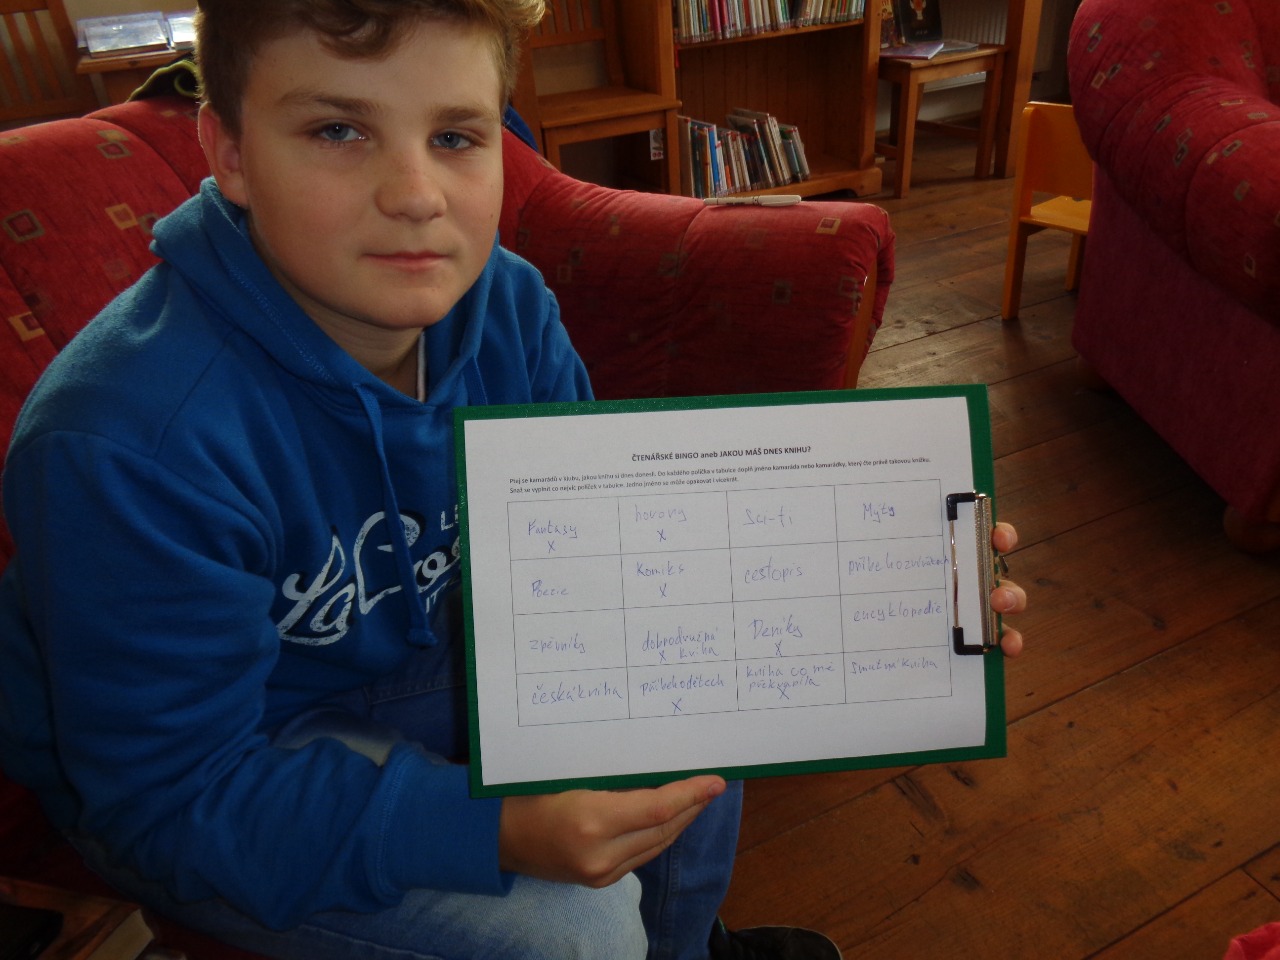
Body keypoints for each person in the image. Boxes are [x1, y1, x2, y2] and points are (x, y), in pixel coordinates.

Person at [0, 1, 1028, 958]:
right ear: (228, 151)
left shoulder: (509, 305)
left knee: (702, 705)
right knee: (576, 928)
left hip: (418, 661)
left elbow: (600, 563)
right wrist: (491, 829)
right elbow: (166, 800)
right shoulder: (124, 438)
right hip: (218, 771)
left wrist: (874, 595)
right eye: (337, 130)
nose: (415, 195)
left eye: (456, 136)